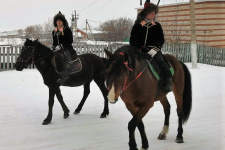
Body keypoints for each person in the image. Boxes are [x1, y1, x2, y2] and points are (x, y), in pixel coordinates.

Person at [129, 0, 172, 92]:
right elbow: (133, 40)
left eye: (154, 13)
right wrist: (137, 50)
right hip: (140, 50)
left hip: (154, 50)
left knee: (162, 63)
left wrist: (154, 50)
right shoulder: (137, 26)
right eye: (151, 13)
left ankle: (168, 82)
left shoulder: (157, 26)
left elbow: (161, 40)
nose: (153, 15)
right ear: (145, 14)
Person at [52, 11, 78, 83]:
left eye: (60, 20)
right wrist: (54, 47)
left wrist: (61, 46)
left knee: (62, 57)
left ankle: (65, 74)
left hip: (67, 48)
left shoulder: (67, 29)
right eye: (57, 21)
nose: (58, 22)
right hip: (57, 49)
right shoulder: (54, 31)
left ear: (63, 21)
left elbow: (70, 41)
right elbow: (54, 42)